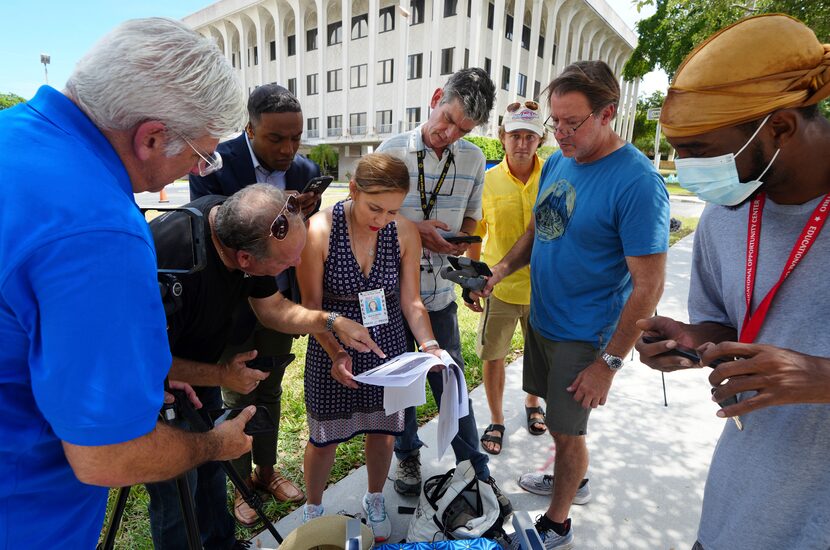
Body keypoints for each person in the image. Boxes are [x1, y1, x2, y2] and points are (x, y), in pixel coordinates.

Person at [0, 18, 256, 549]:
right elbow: (107, 455)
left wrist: (131, 378)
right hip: (28, 518)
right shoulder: (100, 228)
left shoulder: (14, 135)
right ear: (152, 137)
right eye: (201, 154)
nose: (199, 168)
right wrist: (213, 443)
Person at [634, 14, 830, 550]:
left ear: (782, 127)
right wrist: (695, 338)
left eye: (701, 151)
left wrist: (818, 377)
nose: (685, 167)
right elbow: (728, 323)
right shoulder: (727, 213)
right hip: (738, 514)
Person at [477, 60, 670, 548]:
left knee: (569, 433)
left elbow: (648, 288)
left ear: (608, 114)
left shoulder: (638, 182)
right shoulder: (561, 160)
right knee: (564, 432)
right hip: (543, 320)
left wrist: (608, 364)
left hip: (583, 335)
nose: (558, 134)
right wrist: (500, 271)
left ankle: (558, 523)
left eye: (572, 122)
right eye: (554, 122)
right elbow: (537, 230)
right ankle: (572, 479)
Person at [147, 184, 381, 548]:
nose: (297, 265)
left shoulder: (247, 225)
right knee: (177, 494)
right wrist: (223, 376)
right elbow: (146, 364)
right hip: (151, 385)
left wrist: (332, 320)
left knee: (212, 471)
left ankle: (221, 543)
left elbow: (273, 309)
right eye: (286, 262)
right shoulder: (171, 259)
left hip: (198, 372)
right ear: (244, 261)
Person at [189, 83, 321, 523]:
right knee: (236, 391)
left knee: (270, 387)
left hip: (280, 299)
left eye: (296, 137)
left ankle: (266, 472)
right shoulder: (215, 165)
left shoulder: (304, 170)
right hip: (232, 305)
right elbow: (216, 236)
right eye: (276, 138)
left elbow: (299, 237)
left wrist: (303, 212)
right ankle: (241, 486)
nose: (288, 149)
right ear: (249, 129)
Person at [297, 153, 444, 541]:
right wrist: (336, 351)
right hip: (332, 340)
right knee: (324, 434)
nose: (382, 220)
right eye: (374, 208)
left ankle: (374, 497)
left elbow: (411, 302)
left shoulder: (405, 232)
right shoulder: (318, 231)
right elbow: (310, 308)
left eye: (392, 211)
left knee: (384, 430)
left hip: (388, 343)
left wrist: (428, 344)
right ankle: (313, 507)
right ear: (353, 190)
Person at [376, 67, 503, 498]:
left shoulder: (471, 159)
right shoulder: (391, 151)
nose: (448, 133)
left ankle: (473, 465)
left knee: (452, 383)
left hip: (439, 294)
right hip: (392, 298)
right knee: (404, 385)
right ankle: (407, 456)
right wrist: (416, 231)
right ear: (435, 97)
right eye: (447, 119)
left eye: (462, 129)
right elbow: (365, 219)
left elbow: (471, 215)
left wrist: (461, 254)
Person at [466, 99, 549, 455]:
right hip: (498, 288)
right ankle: (497, 418)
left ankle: (533, 403)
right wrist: (472, 280)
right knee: (493, 355)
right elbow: (476, 234)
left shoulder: (554, 175)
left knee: (539, 355)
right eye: (515, 135)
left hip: (545, 289)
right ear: (501, 137)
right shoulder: (487, 181)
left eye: (529, 136)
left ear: (540, 139)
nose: (522, 143)